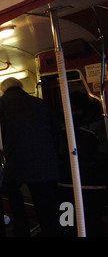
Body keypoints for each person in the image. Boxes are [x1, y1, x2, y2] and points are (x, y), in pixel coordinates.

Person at [0, 77, 59, 237]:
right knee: (44, 202)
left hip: (15, 161)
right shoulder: (39, 102)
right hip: (43, 160)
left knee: (14, 197)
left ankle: (22, 229)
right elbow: (55, 129)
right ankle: (49, 230)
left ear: (2, 90)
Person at [58, 91, 108, 236]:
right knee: (91, 221)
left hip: (70, 181)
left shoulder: (63, 124)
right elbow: (103, 153)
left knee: (68, 221)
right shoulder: (99, 123)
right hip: (89, 182)